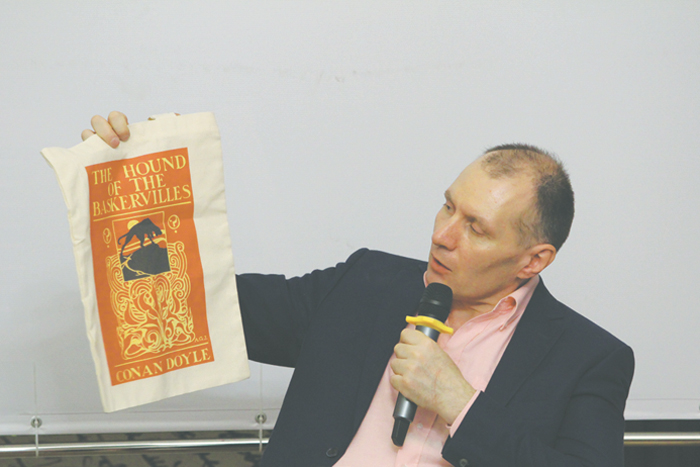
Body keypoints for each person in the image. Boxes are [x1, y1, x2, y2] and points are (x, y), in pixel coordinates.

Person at [83, 112, 634, 467]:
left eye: (476, 228)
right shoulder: (364, 285)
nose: (442, 235)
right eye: (447, 206)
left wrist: (459, 403)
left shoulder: (588, 357)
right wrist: (127, 199)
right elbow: (205, 309)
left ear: (533, 260)